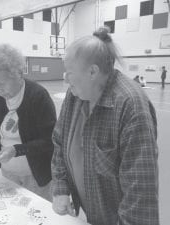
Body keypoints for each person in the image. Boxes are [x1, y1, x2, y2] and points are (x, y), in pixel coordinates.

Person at [51, 27, 159, 225]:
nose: (65, 79)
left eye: (69, 72)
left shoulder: (131, 107)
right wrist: (60, 189)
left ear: (92, 71)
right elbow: (59, 142)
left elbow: (140, 195)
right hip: (90, 215)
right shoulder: (75, 95)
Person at [0, 44, 56, 201]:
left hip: (36, 176)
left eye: (2, 83)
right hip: (8, 172)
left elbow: (49, 141)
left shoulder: (38, 96)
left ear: (18, 73)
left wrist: (16, 150)